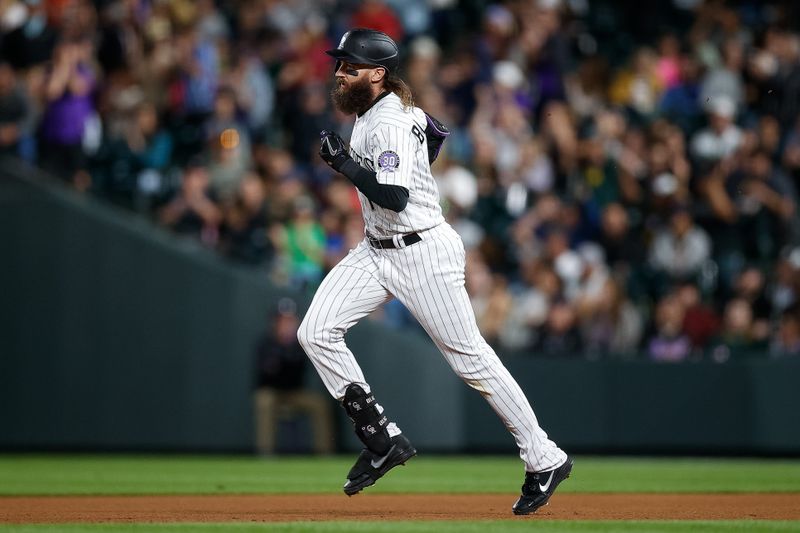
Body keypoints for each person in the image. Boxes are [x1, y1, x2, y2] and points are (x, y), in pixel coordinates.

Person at [296, 28, 571, 515]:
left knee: (472, 363)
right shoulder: (384, 113)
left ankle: (544, 457)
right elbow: (435, 135)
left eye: (349, 67)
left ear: (377, 75)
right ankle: (381, 438)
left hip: (420, 250)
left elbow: (397, 196)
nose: (339, 74)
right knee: (316, 331)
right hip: (378, 249)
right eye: (339, 65)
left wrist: (346, 167)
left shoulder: (390, 122)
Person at [254, 298, 334, 455]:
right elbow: (266, 374)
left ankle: (324, 452)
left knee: (319, 404)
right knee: (264, 401)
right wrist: (282, 351)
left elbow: (299, 371)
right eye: (283, 320)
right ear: (275, 322)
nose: (286, 324)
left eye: (290, 320)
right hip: (272, 392)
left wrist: (289, 348)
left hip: (295, 392)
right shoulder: (266, 343)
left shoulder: (301, 343)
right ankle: (265, 452)